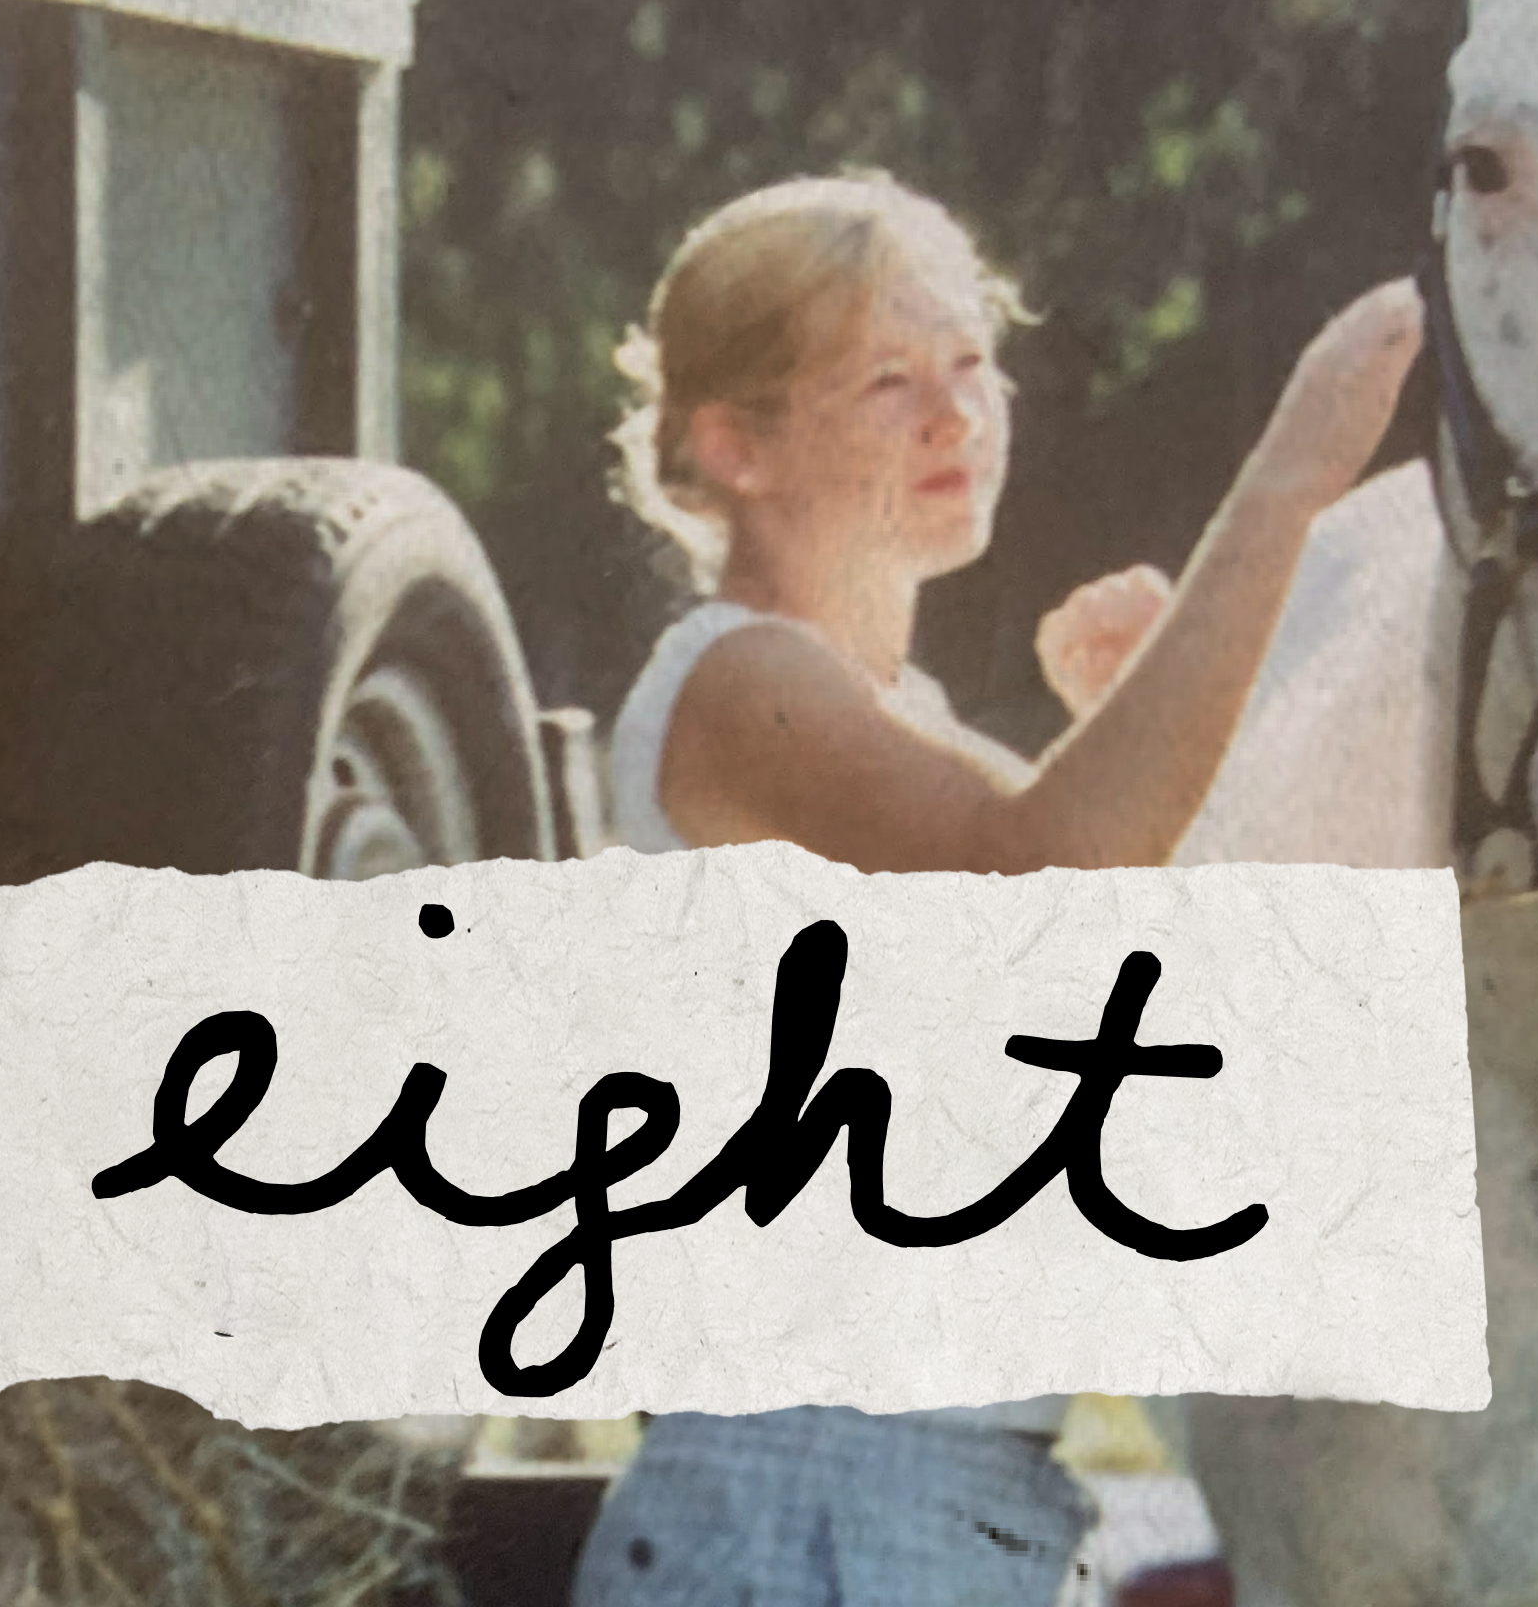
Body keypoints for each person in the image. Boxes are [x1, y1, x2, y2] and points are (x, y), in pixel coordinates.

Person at [566, 171, 1423, 1607]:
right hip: (810, 1510)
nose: (956, 416)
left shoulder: (912, 724)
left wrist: (1150, 751)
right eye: (887, 382)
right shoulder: (734, 678)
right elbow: (1047, 865)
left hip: (951, 1508)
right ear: (734, 446)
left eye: (972, 365)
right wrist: (1286, 485)